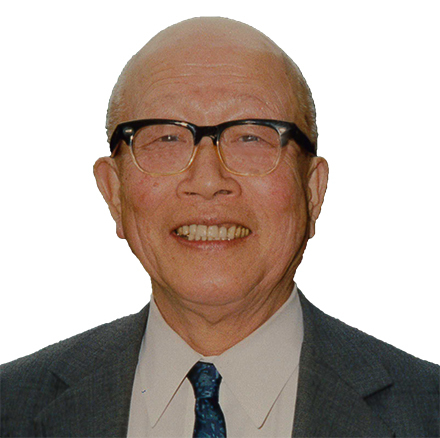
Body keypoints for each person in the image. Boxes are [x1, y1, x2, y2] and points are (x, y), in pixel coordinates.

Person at [1, 17, 438, 438]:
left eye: (250, 136)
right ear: (113, 192)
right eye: (166, 138)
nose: (208, 181)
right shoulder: (11, 406)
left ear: (312, 189)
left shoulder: (427, 411)